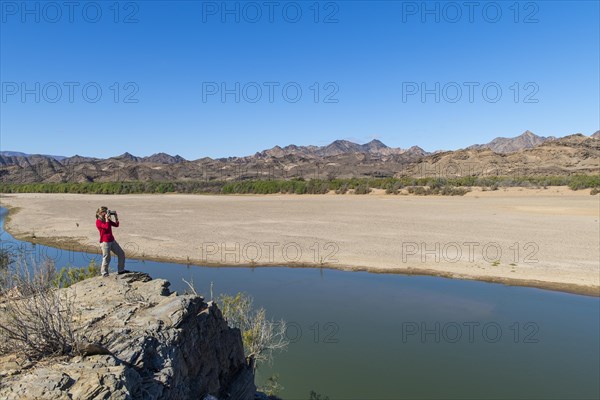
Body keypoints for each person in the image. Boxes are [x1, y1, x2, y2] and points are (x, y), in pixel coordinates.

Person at [95, 206, 129, 277]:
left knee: (121, 254)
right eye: (105, 212)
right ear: (101, 213)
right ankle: (104, 273)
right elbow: (106, 227)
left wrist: (116, 217)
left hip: (112, 240)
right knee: (107, 257)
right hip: (105, 242)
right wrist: (107, 219)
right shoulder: (98, 221)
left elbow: (116, 225)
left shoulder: (107, 220)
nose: (106, 213)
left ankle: (121, 270)